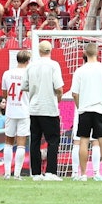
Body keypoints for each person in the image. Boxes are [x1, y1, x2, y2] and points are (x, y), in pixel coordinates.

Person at [69, 42, 102, 181]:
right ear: (98, 53)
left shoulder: (79, 71)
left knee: (83, 141)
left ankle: (83, 174)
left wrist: (79, 106)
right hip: (101, 109)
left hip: (85, 109)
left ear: (84, 53)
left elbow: (74, 93)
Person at [23, 39, 64, 180]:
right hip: (49, 108)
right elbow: (59, 87)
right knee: (52, 140)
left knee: (35, 141)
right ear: (50, 50)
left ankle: (36, 173)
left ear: (39, 51)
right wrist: (59, 97)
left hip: (34, 108)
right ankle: (51, 172)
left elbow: (24, 86)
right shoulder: (53, 65)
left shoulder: (31, 66)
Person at [0, 50, 30, 179]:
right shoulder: (29, 74)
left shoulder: (7, 73)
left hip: (11, 110)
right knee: (21, 143)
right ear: (28, 61)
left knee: (8, 142)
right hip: (24, 111)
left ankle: (7, 173)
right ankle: (17, 174)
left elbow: (4, 94)